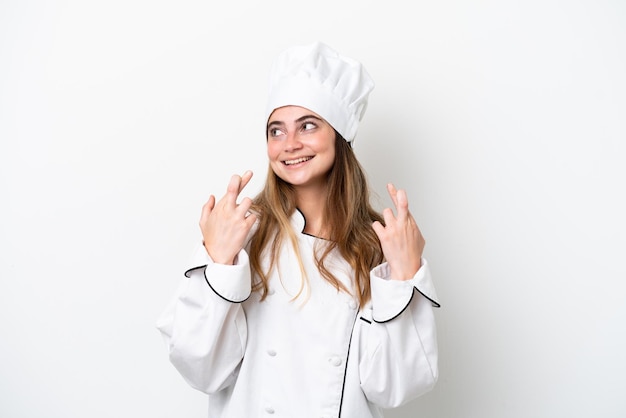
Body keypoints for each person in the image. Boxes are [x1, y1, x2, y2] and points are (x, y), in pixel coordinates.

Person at [157, 41, 440, 418]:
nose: (289, 145)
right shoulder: (242, 234)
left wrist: (404, 277)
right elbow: (199, 368)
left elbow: (393, 386)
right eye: (276, 130)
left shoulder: (377, 246)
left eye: (307, 126)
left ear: (339, 136)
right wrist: (218, 261)